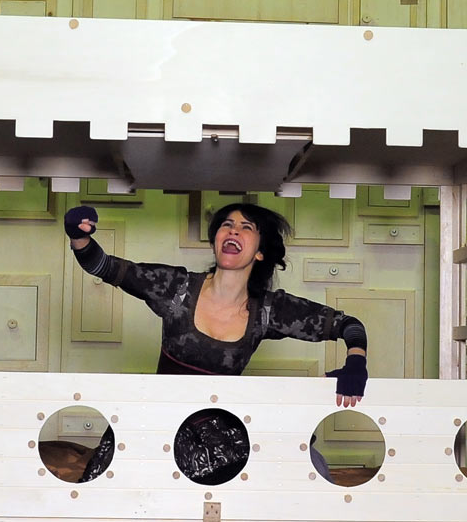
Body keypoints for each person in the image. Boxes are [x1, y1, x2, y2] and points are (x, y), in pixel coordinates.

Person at [65, 202, 370, 484]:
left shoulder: (268, 309)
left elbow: (349, 325)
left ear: (260, 252)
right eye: (227, 224)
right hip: (158, 423)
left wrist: (356, 362)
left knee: (304, 464)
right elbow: (103, 265)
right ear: (216, 241)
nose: (234, 230)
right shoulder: (177, 288)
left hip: (221, 437)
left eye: (246, 227)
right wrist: (79, 236)